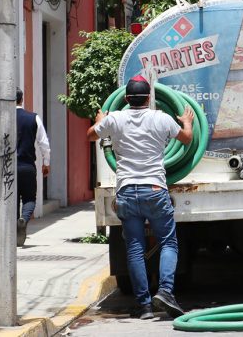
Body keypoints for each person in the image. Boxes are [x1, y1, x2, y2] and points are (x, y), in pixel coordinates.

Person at [87, 75, 194, 320]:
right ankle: (165, 292)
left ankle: (144, 306)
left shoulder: (116, 118)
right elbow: (186, 139)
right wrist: (187, 121)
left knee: (135, 248)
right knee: (168, 242)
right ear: (149, 98)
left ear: (126, 99)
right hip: (155, 189)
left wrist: (100, 121)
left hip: (126, 191)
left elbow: (91, 135)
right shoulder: (161, 118)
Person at [16, 89, 50, 247]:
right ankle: (23, 219)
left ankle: (14, 232)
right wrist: (46, 163)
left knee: (12, 201)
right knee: (29, 198)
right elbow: (44, 144)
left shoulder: (3, 118)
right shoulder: (33, 118)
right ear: (22, 99)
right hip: (27, 166)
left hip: (8, 169)